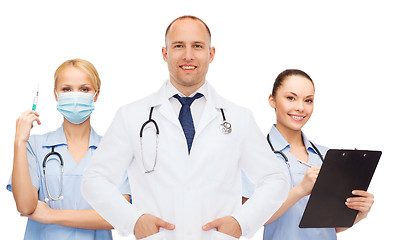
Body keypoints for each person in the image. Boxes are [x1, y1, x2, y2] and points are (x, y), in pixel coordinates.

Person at [81, 15, 289, 240]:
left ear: (211, 54)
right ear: (165, 53)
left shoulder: (238, 118)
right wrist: (133, 220)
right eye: (178, 46)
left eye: (197, 46)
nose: (188, 55)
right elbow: (94, 179)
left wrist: (242, 222)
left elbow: (275, 179)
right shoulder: (132, 116)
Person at [242, 69, 374, 240]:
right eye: (291, 98)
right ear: (272, 100)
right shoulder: (255, 155)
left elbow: (328, 227)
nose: (300, 108)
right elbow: (248, 221)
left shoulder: (327, 156)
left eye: (308, 100)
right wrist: (300, 190)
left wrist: (360, 212)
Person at [7, 58, 131, 240]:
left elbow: (119, 216)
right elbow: (25, 207)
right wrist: (19, 141)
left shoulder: (114, 150)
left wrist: (51, 215)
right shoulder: (34, 146)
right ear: (56, 95)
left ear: (96, 95)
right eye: (66, 89)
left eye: (84, 89)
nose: (75, 95)